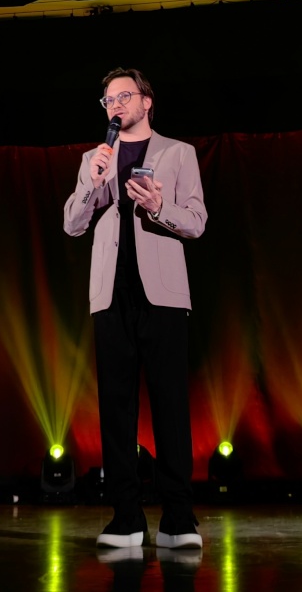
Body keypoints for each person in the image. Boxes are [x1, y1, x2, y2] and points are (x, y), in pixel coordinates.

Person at [64, 67, 207, 549]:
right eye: (108, 100)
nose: (116, 105)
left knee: (171, 405)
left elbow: (197, 222)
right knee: (116, 408)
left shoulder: (178, 153)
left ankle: (178, 519)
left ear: (147, 101)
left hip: (162, 295)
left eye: (124, 96)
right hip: (110, 295)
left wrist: (158, 207)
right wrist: (92, 183)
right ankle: (126, 518)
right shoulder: (94, 159)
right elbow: (72, 224)